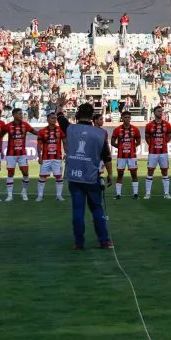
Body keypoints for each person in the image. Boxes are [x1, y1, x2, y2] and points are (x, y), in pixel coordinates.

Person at [61, 103, 114, 250]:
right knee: (97, 209)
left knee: (78, 211)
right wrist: (110, 173)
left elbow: (60, 118)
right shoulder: (100, 133)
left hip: (74, 176)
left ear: (78, 114)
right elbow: (107, 156)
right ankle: (104, 241)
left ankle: (79, 243)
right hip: (91, 177)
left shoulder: (70, 128)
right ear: (92, 116)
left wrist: (59, 106)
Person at [4, 108, 36, 202]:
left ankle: (24, 192)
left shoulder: (25, 125)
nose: (21, 115)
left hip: (22, 154)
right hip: (11, 154)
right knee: (10, 173)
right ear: (14, 115)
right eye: (19, 114)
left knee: (25, 173)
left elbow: (35, 132)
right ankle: (10, 195)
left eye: (22, 114)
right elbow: (0, 135)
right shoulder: (8, 126)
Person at [111, 111, 142, 200]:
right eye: (125, 117)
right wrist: (120, 147)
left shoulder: (135, 129)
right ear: (122, 118)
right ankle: (118, 194)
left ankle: (135, 194)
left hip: (132, 156)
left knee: (134, 174)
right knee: (120, 174)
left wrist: (132, 147)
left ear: (130, 118)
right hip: (121, 156)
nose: (127, 119)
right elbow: (112, 142)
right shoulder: (117, 129)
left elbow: (138, 141)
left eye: (128, 117)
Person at [36, 112, 66, 201]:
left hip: (57, 158)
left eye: (55, 118)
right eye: (52, 118)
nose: (54, 119)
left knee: (59, 177)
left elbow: (65, 142)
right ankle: (40, 196)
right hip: (45, 158)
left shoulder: (60, 130)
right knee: (42, 177)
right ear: (48, 119)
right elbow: (39, 144)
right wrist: (39, 157)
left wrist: (65, 153)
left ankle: (59, 195)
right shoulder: (42, 131)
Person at [143, 106, 171, 199]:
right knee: (150, 171)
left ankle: (166, 193)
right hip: (153, 152)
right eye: (158, 111)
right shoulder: (149, 125)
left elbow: (169, 137)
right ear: (154, 113)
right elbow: (147, 137)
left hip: (163, 152)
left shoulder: (167, 125)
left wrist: (162, 143)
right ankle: (148, 193)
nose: (160, 113)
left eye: (161, 111)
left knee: (165, 171)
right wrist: (153, 145)